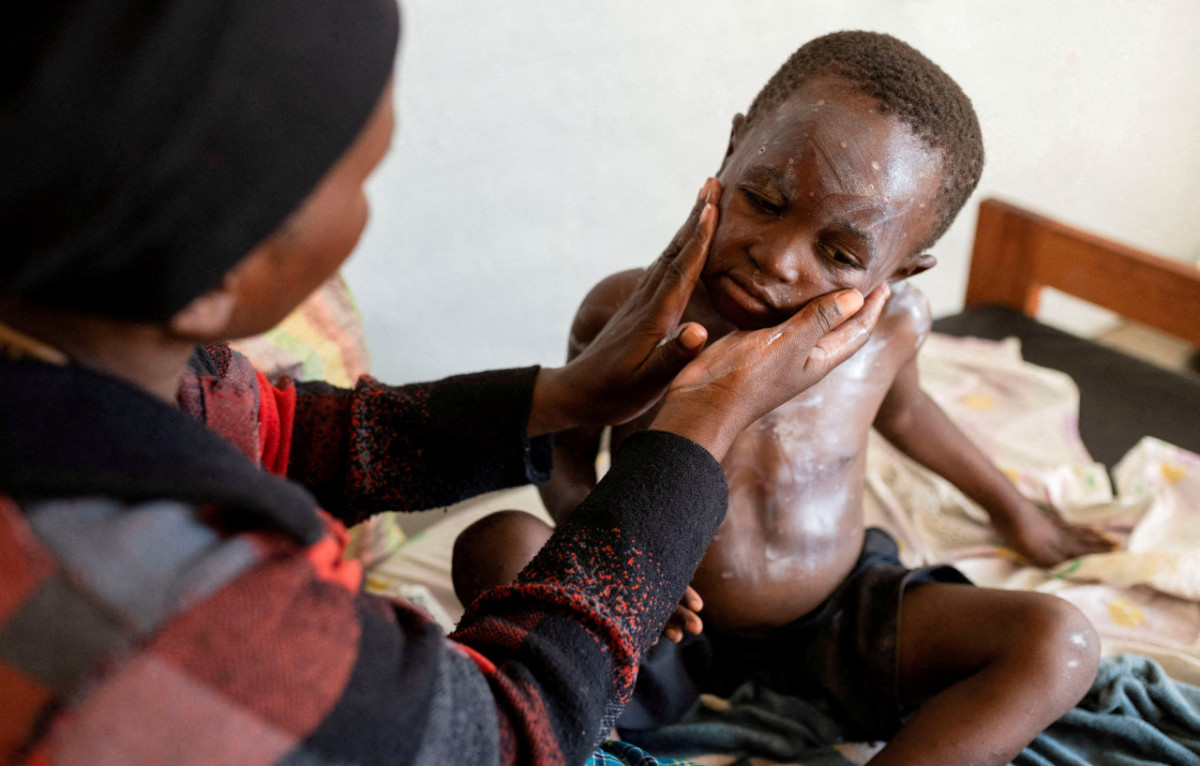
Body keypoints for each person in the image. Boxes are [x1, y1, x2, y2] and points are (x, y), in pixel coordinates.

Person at [0, 3, 890, 765]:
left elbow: (270, 432)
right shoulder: (187, 616)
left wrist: (566, 394)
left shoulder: (79, 343)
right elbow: (507, 735)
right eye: (361, 182)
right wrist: (695, 433)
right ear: (211, 280)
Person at [452, 32, 1112, 766]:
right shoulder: (630, 314)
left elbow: (910, 414)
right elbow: (565, 459)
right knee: (498, 542)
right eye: (765, 200)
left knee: (1062, 643)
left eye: (840, 254)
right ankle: (585, 743)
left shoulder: (893, 327)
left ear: (903, 271)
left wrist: (1013, 510)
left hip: (834, 617)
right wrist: (614, 572)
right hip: (658, 618)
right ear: (735, 147)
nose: (778, 257)